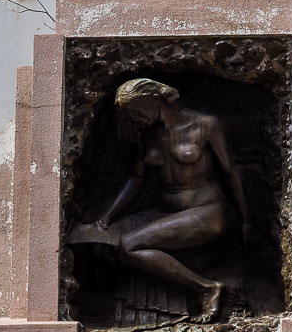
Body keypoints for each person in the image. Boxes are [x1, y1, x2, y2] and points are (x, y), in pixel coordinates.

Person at [69, 78, 248, 322]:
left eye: (136, 112)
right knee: (104, 241)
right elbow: (135, 180)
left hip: (207, 212)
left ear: (155, 100)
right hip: (162, 212)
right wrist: (106, 218)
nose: (134, 119)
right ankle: (128, 307)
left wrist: (247, 219)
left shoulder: (205, 125)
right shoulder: (146, 135)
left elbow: (230, 172)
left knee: (129, 246)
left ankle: (206, 288)